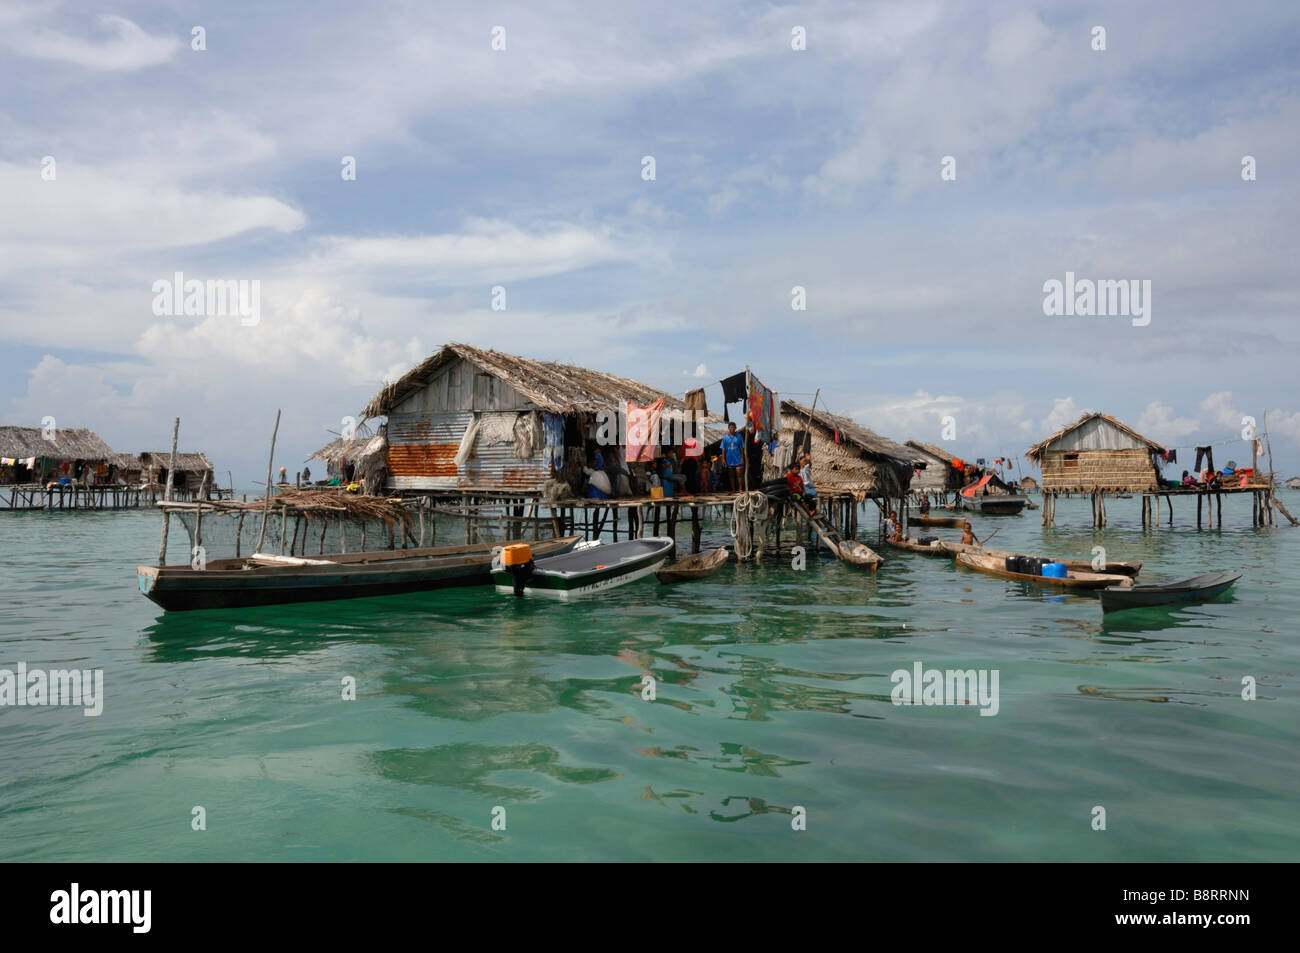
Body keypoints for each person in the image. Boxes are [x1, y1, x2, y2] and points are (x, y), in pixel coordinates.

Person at [720, 422, 744, 492]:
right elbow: (723, 449)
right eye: (730, 427)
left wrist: (742, 457)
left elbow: (741, 448)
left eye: (733, 427)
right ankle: (733, 489)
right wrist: (723, 459)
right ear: (728, 428)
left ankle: (740, 489)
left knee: (739, 473)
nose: (732, 428)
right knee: (731, 475)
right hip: (729, 458)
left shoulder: (739, 436)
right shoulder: (725, 437)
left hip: (738, 458)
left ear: (735, 428)